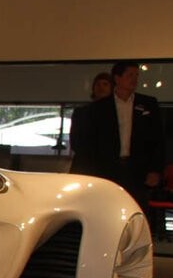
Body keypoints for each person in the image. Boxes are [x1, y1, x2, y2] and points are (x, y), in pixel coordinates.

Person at [69, 61, 164, 211]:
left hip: (137, 168)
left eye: (136, 75)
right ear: (117, 78)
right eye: (129, 75)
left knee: (136, 208)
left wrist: (155, 169)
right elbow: (91, 142)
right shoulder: (99, 107)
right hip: (108, 167)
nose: (134, 79)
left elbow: (157, 138)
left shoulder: (148, 104)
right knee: (106, 208)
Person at [69, 72, 114, 174]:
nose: (101, 87)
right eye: (98, 84)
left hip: (108, 164)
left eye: (105, 84)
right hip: (84, 163)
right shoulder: (81, 112)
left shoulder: (116, 113)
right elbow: (75, 140)